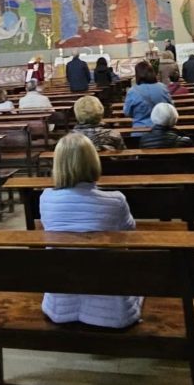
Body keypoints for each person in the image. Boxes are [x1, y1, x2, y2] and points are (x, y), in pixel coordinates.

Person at [39, 133, 142, 328]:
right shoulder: (116, 200)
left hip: (60, 303)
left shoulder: (46, 198)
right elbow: (130, 233)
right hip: (111, 307)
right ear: (93, 161)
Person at [122, 60, 171, 133]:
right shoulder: (163, 88)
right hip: (162, 131)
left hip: (140, 131)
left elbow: (127, 112)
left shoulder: (132, 91)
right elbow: (170, 107)